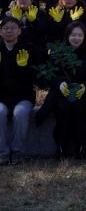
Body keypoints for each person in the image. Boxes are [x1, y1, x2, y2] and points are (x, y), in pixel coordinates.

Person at [40, 21, 86, 159]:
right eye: (73, 35)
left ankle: (81, 145)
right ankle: (61, 146)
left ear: (84, 37)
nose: (76, 38)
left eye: (80, 35)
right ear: (67, 36)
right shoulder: (58, 52)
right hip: (62, 92)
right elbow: (51, 74)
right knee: (63, 108)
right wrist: (60, 83)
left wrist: (85, 86)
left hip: (83, 92)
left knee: (80, 108)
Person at [0, 16, 36, 165]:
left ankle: (17, 151)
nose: (9, 31)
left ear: (19, 31)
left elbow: (34, 78)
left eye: (13, 28)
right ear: (1, 32)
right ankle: (2, 153)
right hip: (1, 97)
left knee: (20, 113)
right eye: (5, 28)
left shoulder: (27, 48)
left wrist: (24, 68)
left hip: (23, 96)